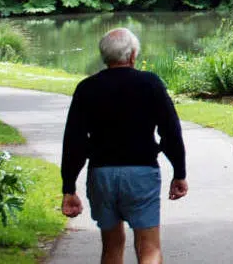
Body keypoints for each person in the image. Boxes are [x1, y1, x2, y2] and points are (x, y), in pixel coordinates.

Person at [59, 28, 190, 264]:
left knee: (111, 247)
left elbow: (74, 141)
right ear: (132, 56)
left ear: (104, 56)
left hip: (102, 174)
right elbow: (170, 131)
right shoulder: (150, 83)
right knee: (149, 247)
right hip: (141, 173)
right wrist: (179, 173)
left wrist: (69, 187)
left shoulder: (87, 88)